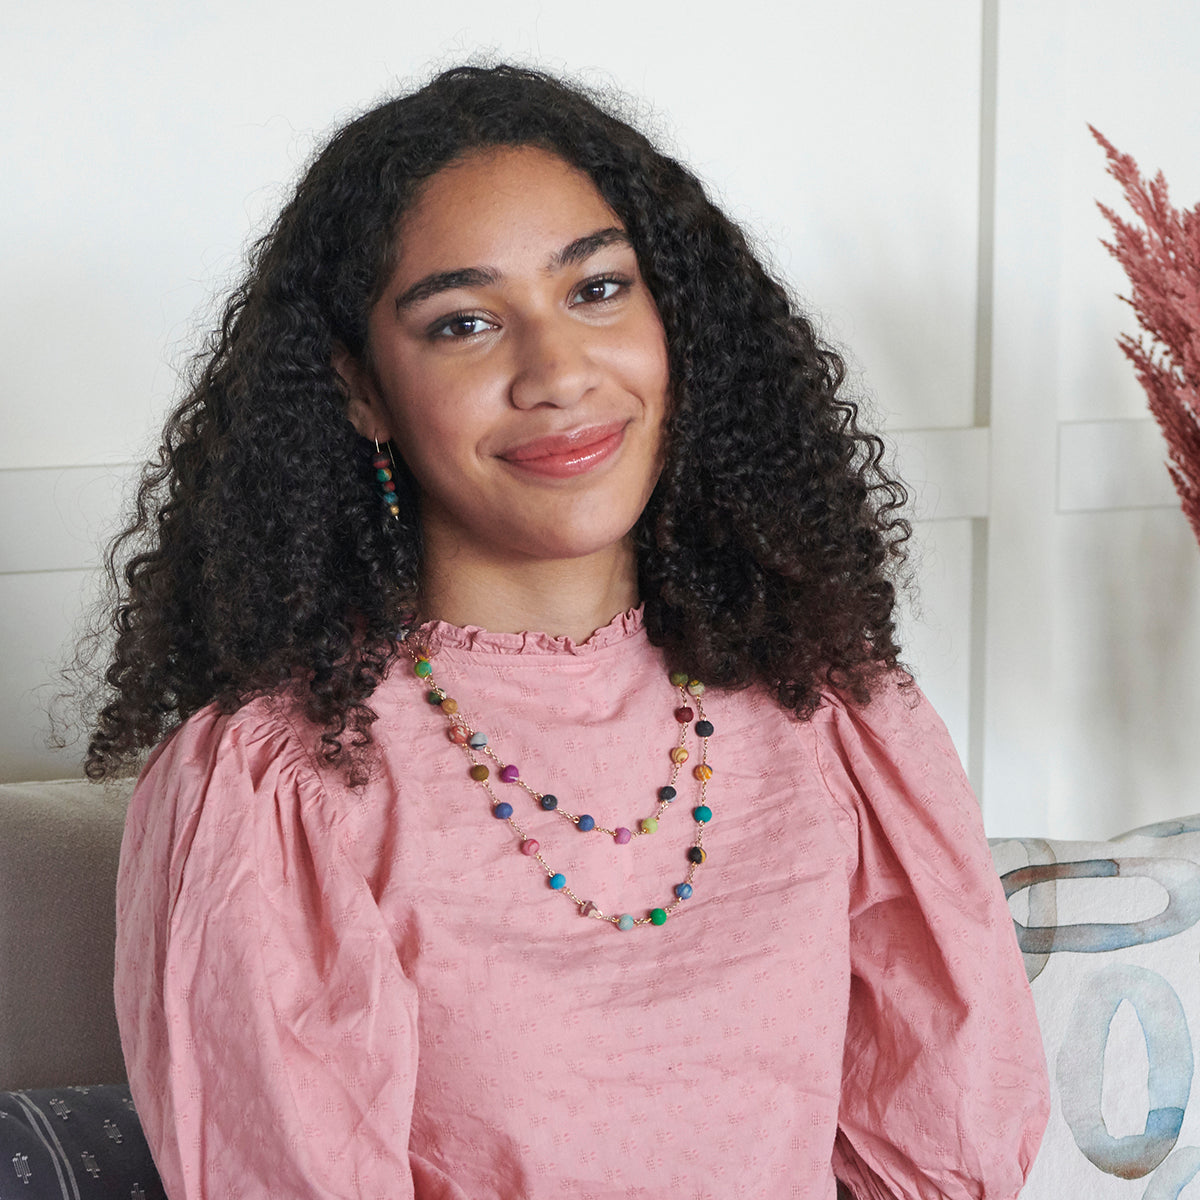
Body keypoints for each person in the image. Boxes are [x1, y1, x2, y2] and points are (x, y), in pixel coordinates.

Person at [93, 64, 1049, 1199]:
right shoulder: (280, 783)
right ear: (360, 391)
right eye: (463, 323)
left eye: (596, 291)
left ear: (675, 321)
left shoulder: (836, 720)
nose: (556, 373)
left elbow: (944, 1154)